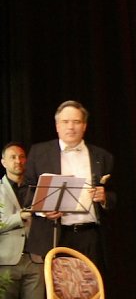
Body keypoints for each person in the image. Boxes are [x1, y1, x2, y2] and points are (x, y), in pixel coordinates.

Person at [24, 101, 115, 272]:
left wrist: (104, 198)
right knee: (55, 287)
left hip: (90, 235)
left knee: (92, 285)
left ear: (84, 126)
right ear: (57, 126)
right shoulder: (39, 153)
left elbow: (115, 194)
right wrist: (43, 210)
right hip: (53, 235)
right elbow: (25, 190)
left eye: (76, 122)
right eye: (65, 122)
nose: (71, 127)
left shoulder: (102, 156)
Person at [0, 142, 46, 299]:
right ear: (3, 162)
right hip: (6, 260)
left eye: (21, 157)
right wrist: (20, 217)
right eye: (12, 157)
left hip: (35, 258)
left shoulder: (36, 189)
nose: (18, 161)